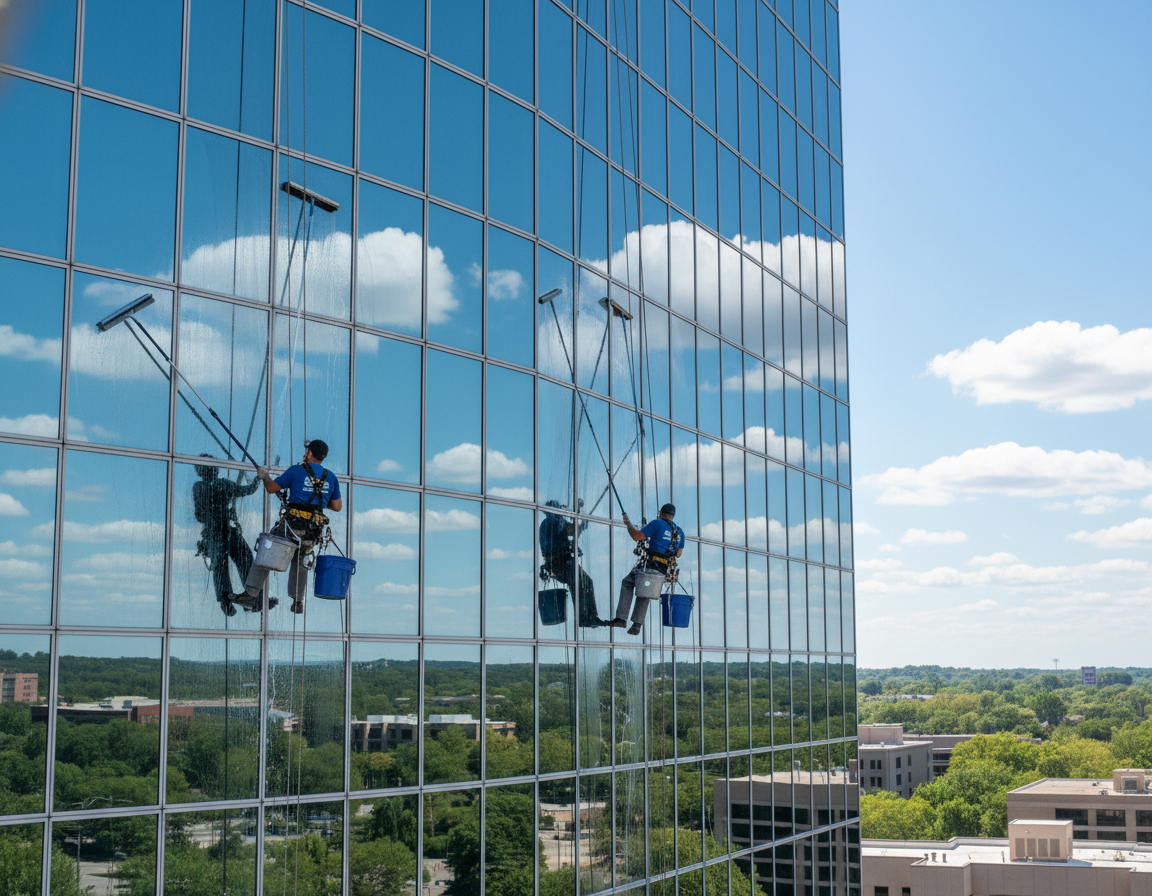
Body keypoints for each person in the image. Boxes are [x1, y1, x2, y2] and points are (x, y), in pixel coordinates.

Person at [239, 439, 343, 614]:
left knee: (267, 549)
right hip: (313, 530)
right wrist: (318, 502)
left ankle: (250, 593)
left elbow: (272, 488)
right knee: (301, 559)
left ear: (309, 453)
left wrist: (264, 476)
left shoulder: (296, 471)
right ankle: (298, 600)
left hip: (292, 525)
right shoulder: (330, 477)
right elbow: (337, 506)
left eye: (307, 450)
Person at [192, 456, 261, 616]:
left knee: (226, 563)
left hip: (217, 531)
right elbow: (248, 490)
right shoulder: (219, 484)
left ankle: (233, 599)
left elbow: (199, 515)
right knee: (239, 559)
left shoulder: (204, 486)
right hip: (222, 531)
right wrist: (259, 478)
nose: (214, 470)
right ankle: (246, 596)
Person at [611, 503, 685, 635]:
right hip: (663, 569)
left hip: (650, 564)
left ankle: (621, 618)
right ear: (672, 516)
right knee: (645, 591)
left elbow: (637, 536)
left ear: (661, 513)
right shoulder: (680, 532)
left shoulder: (658, 523)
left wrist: (628, 524)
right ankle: (637, 625)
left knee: (628, 583)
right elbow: (678, 554)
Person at [539, 499, 608, 628]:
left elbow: (572, 531)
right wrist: (579, 513)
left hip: (557, 563)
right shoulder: (554, 521)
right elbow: (572, 530)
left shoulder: (547, 523)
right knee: (585, 582)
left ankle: (586, 618)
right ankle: (587, 618)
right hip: (561, 563)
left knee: (579, 584)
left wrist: (580, 522)